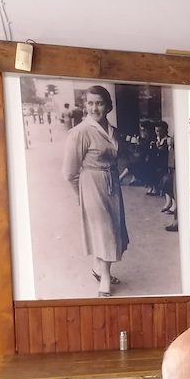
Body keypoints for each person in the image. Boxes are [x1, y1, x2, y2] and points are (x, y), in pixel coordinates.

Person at [62, 85, 129, 297]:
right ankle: (106, 278)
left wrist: (118, 177)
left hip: (112, 184)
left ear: (108, 106)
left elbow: (120, 158)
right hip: (91, 183)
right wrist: (79, 194)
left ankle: (97, 269)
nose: (94, 108)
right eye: (90, 103)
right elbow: (68, 172)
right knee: (104, 231)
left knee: (111, 230)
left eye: (99, 103)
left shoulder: (113, 131)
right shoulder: (80, 132)